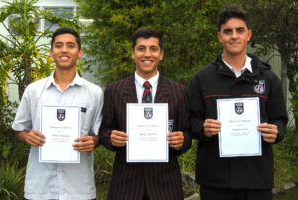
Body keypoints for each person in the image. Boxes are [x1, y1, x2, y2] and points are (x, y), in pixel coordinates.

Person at [189, 5, 288, 200]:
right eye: (228, 31)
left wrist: (276, 131)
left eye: (239, 30)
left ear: (248, 35)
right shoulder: (202, 78)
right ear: (220, 37)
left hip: (256, 179)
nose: (234, 36)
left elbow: (280, 120)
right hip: (214, 181)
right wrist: (202, 128)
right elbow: (190, 121)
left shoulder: (268, 79)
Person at [99, 27, 191, 200]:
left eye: (153, 49)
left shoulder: (178, 91)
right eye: (141, 49)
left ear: (161, 54)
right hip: (125, 184)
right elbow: (104, 130)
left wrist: (181, 140)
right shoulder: (115, 90)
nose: (147, 54)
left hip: (165, 184)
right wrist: (111, 137)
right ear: (133, 53)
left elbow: (187, 133)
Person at [12, 27, 103, 200]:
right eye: (58, 45)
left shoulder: (94, 92)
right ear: (51, 52)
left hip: (79, 188)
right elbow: (19, 130)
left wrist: (93, 141)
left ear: (79, 52)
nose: (64, 50)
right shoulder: (34, 91)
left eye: (70, 45)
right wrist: (27, 137)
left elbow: (98, 134)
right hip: (40, 187)